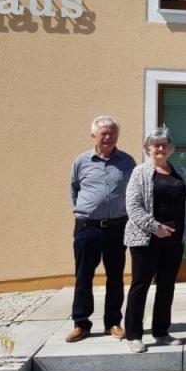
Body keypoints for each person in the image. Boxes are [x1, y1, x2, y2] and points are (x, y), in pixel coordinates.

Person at [123, 127, 186, 353]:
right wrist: (155, 227)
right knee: (140, 285)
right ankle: (134, 335)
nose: (160, 148)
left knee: (166, 286)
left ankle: (161, 332)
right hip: (145, 239)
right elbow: (133, 207)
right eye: (156, 145)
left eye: (164, 145)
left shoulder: (180, 173)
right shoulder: (139, 172)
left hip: (174, 241)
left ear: (170, 149)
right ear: (147, 148)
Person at [67, 116, 136, 343]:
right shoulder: (81, 161)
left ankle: (113, 323)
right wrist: (86, 212)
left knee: (115, 277)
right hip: (87, 228)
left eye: (112, 133)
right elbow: (75, 190)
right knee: (83, 276)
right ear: (94, 135)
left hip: (116, 228)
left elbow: (133, 191)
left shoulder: (127, 162)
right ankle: (81, 324)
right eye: (103, 133)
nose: (108, 137)